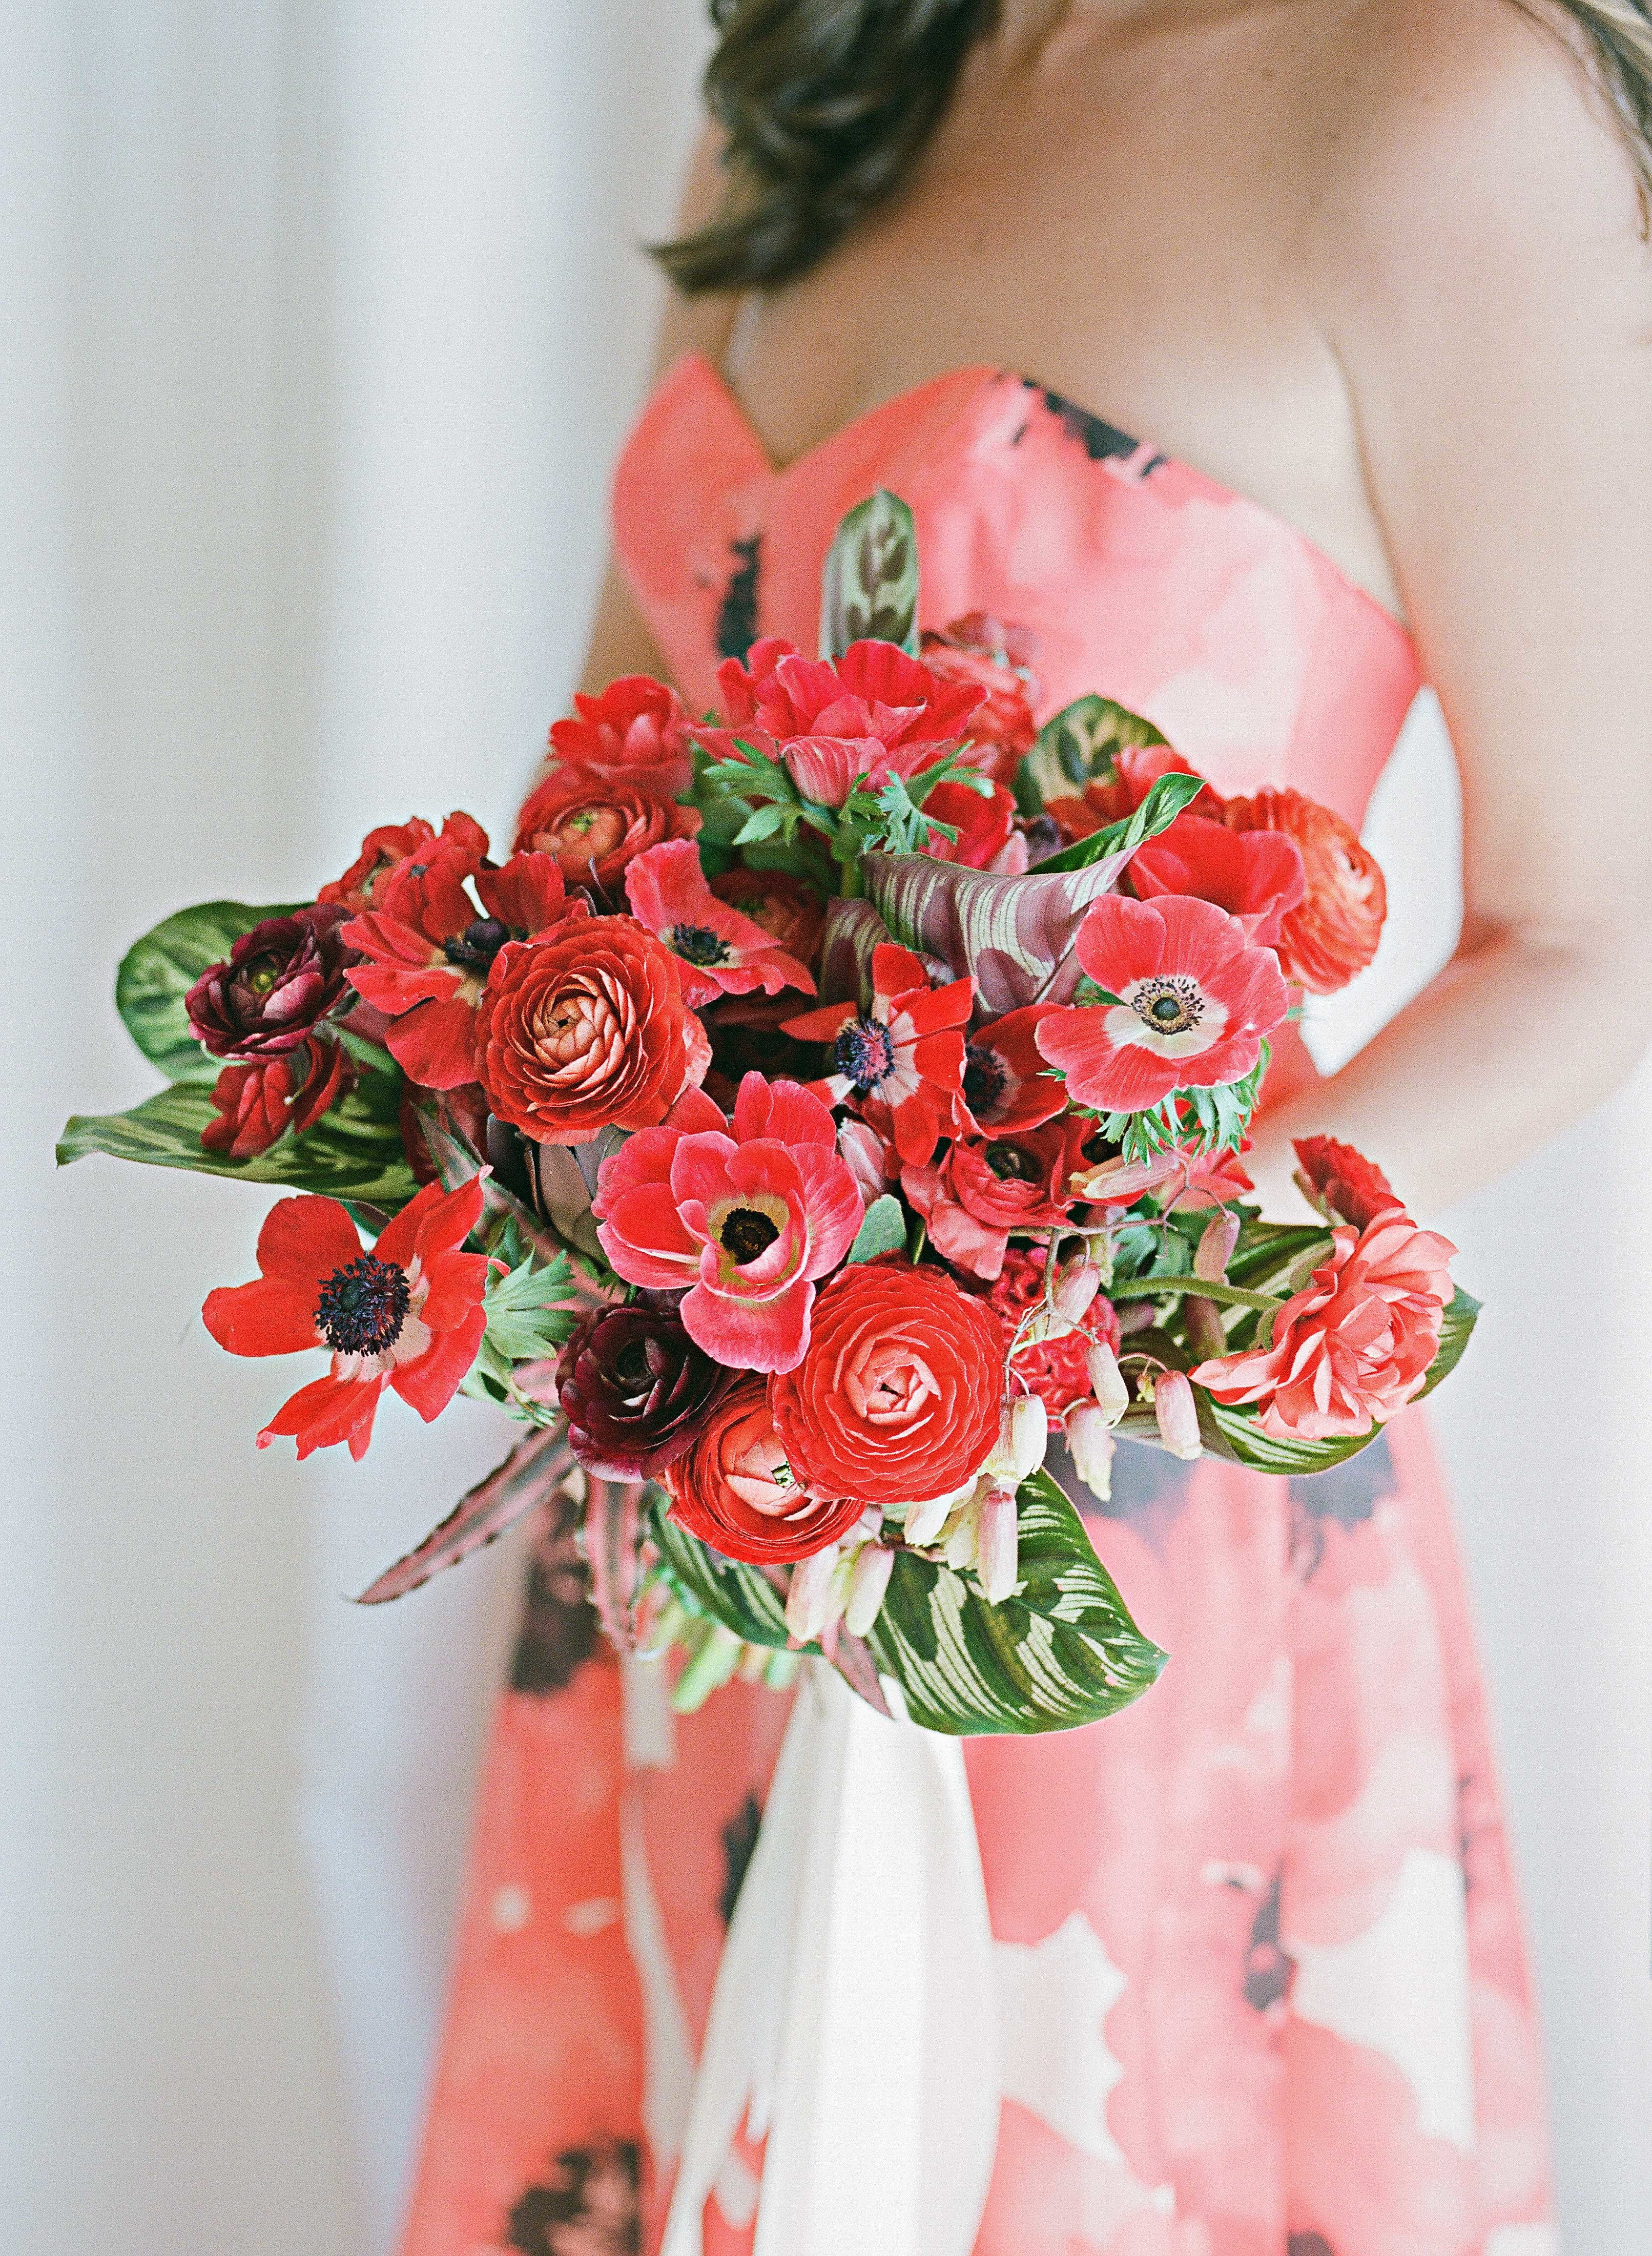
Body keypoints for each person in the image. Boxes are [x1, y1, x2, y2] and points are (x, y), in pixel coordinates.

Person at [398, 4, 1652, 2251]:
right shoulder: (812, 78)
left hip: (1119, 1504)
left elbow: (1597, 932)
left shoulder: (1452, 98)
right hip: (709, 1486)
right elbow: (605, 783)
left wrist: (1069, 1294)